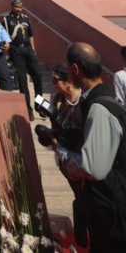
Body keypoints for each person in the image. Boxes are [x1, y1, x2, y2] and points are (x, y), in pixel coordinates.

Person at [52, 42, 126, 253]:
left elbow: (93, 167)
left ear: (76, 69)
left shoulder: (99, 108)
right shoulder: (108, 100)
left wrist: (62, 152)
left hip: (111, 214)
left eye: (67, 67)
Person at [35, 63, 86, 247]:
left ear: (69, 81)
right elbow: (57, 128)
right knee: (79, 193)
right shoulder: (57, 100)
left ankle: (82, 224)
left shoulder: (85, 103)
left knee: (84, 196)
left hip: (83, 158)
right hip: (65, 157)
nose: (53, 83)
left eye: (56, 80)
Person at [3, 0, 43, 121]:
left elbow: (31, 35)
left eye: (20, 7)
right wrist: (7, 53)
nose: (18, 9)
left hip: (28, 49)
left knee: (38, 76)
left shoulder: (25, 18)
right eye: (16, 7)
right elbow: (4, 36)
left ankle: (39, 105)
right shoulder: (6, 19)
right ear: (12, 6)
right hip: (16, 50)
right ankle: (28, 109)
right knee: (22, 81)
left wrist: (33, 50)